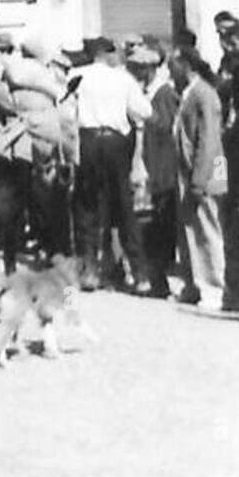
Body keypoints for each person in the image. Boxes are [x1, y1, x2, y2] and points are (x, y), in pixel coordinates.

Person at [69, 37, 151, 293]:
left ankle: (91, 271)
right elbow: (144, 111)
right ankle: (140, 275)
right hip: (116, 142)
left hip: (89, 140)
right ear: (108, 53)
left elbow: (66, 108)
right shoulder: (123, 78)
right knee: (124, 206)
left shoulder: (77, 75)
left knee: (87, 206)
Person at [170, 46, 227, 310]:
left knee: (208, 228)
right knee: (190, 229)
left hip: (204, 170)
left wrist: (200, 177)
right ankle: (194, 282)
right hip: (189, 170)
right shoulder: (189, 93)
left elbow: (209, 140)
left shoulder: (204, 94)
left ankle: (214, 287)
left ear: (187, 65)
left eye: (175, 64)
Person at [126, 44, 179, 299]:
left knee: (160, 223)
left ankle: (161, 277)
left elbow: (166, 129)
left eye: (137, 69)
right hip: (150, 163)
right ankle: (156, 276)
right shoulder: (148, 92)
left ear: (148, 69)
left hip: (162, 166)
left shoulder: (163, 93)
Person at [215, 17, 239, 313]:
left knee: (237, 220)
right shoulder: (231, 67)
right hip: (233, 152)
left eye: (230, 38)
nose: (225, 43)